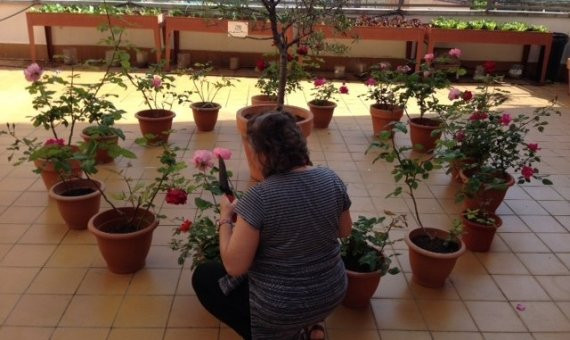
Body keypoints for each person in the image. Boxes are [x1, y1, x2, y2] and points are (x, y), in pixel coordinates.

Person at [192, 111, 352, 340]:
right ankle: (313, 326)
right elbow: (344, 230)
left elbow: (234, 266)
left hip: (281, 310)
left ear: (264, 155)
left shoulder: (259, 198)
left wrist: (226, 217)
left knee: (205, 277)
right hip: (332, 292)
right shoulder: (330, 178)